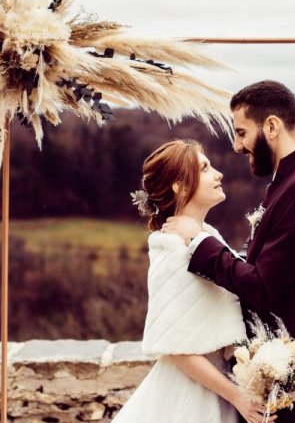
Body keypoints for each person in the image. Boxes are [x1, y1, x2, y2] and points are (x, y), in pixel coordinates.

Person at [163, 80, 295, 423]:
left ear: (272, 126)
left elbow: (263, 286)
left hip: (289, 372)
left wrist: (200, 242)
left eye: (242, 132)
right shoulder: (294, 180)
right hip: (278, 368)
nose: (237, 145)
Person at [112, 139, 274, 423]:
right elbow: (176, 349)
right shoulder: (171, 249)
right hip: (190, 397)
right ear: (181, 186)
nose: (218, 174)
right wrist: (236, 396)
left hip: (218, 388)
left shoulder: (207, 236)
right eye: (205, 168)